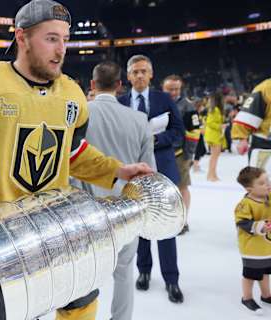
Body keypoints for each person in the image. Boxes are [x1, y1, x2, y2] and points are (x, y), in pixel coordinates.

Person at [0, 1, 153, 319]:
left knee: (81, 302)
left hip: (56, 230)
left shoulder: (72, 94)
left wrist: (117, 169)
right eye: (51, 38)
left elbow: (71, 152)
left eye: (65, 40)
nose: (61, 50)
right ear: (22, 37)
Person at [76, 61, 156, 320]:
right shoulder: (139, 120)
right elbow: (149, 173)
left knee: (83, 277)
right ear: (120, 86)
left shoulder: (80, 115)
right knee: (124, 272)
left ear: (92, 85)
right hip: (126, 211)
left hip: (85, 213)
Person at [118, 54, 185, 303]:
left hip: (164, 169)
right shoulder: (121, 102)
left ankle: (172, 280)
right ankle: (143, 271)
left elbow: (179, 132)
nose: (139, 76)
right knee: (140, 224)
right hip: (134, 173)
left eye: (143, 71)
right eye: (135, 72)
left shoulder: (164, 99)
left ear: (151, 74)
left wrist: (156, 139)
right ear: (128, 76)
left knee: (167, 226)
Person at [162, 75, 201, 234]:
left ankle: (182, 221)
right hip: (160, 152)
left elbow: (194, 131)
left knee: (182, 186)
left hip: (179, 154)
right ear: (163, 88)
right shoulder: (157, 103)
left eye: (176, 89)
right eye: (170, 89)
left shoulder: (188, 106)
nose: (173, 92)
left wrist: (189, 154)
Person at [235, 166, 271, 314]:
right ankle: (247, 297)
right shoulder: (245, 204)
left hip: (266, 247)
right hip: (252, 249)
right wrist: (261, 226)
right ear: (250, 189)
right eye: (262, 183)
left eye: (267, 180)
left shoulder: (269, 197)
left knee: (265, 272)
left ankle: (266, 295)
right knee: (251, 275)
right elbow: (242, 223)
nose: (267, 184)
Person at [232, 78, 271, 165]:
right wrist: (242, 138)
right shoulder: (266, 88)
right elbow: (248, 114)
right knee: (259, 177)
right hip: (265, 143)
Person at [204, 91, 225, 181]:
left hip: (214, 134)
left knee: (215, 156)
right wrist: (220, 126)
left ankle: (212, 174)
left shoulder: (214, 109)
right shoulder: (215, 109)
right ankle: (211, 175)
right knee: (214, 156)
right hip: (214, 134)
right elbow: (209, 122)